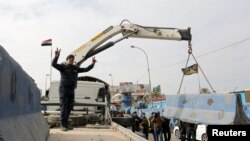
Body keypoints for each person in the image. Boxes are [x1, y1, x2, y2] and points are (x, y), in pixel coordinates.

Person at [52, 48, 96, 131]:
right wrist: (56, 57)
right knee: (64, 106)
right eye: (70, 59)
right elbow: (53, 64)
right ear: (67, 60)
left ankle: (65, 124)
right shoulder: (63, 67)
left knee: (69, 106)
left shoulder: (75, 68)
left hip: (71, 89)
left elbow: (86, 69)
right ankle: (62, 125)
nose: (71, 60)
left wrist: (92, 64)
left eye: (72, 59)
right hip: (64, 88)